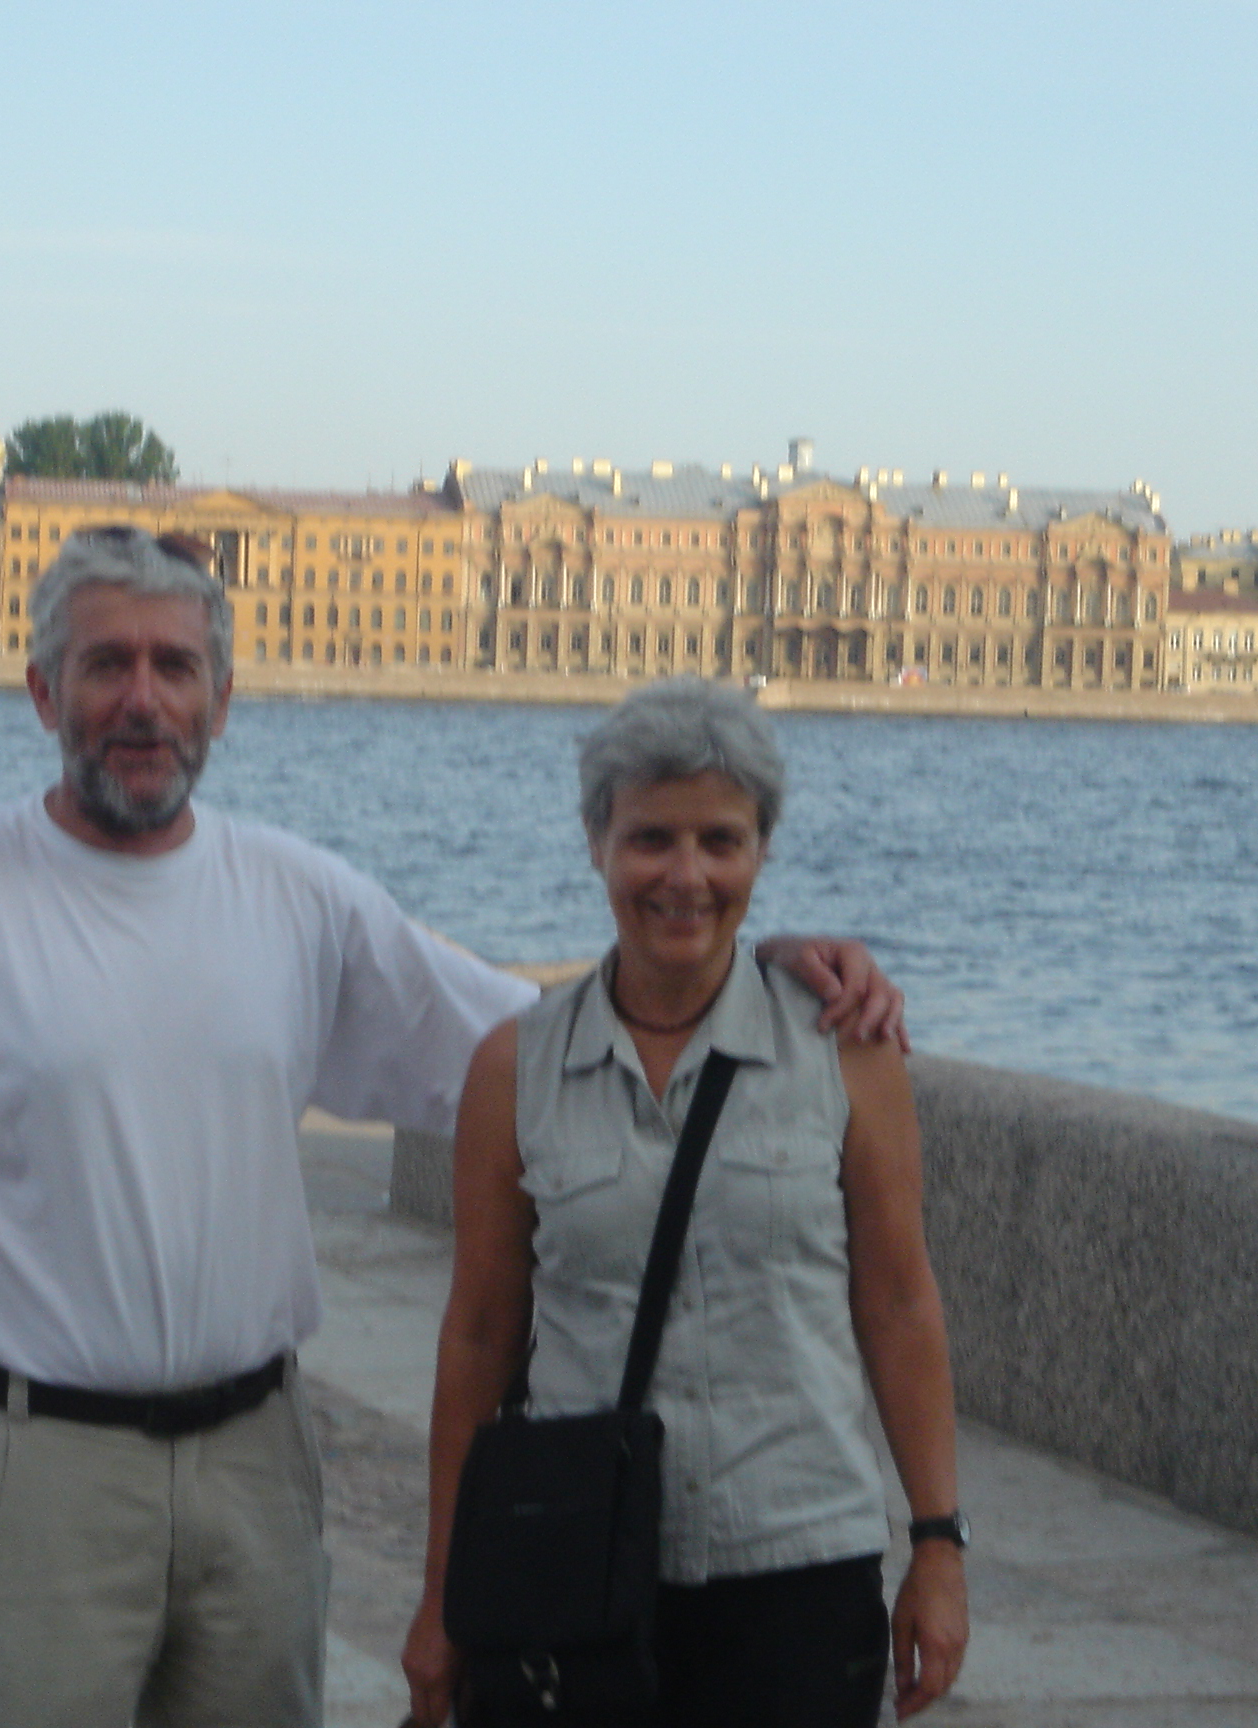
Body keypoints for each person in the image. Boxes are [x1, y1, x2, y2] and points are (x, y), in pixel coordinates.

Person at [0, 528, 905, 1728]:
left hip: (254, 1467)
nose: (143, 699)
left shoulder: (300, 901)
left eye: (176, 667)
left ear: (223, 701)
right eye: (106, 664)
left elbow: (548, 1046)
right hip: (32, 1469)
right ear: (44, 693)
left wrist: (740, 957)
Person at [403, 677, 968, 1728]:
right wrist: (443, 1592)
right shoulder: (517, 1068)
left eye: (721, 841)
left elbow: (898, 1303)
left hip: (797, 1566)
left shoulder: (845, 1054)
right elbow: (480, 1330)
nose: (686, 876)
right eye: (651, 839)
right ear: (597, 845)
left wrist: (938, 1544)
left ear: (762, 852)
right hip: (576, 1571)